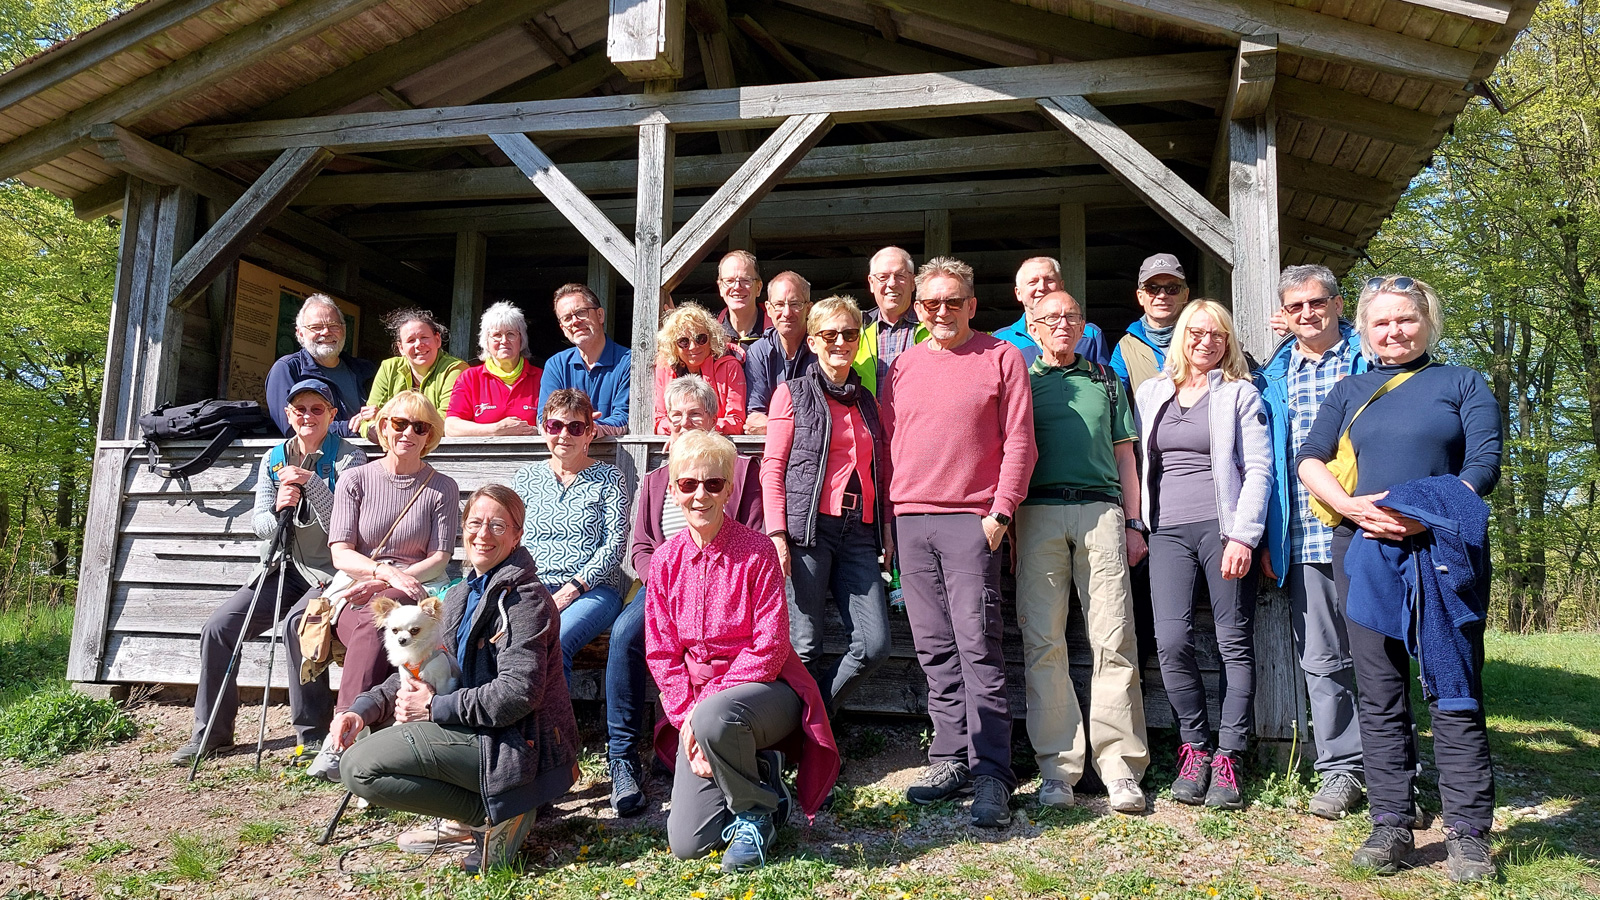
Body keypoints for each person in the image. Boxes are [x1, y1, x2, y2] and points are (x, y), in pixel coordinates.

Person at [1297, 275, 1502, 883]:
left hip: (1444, 550)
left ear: (1428, 322)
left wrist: (1419, 510)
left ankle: (1469, 831)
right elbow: (1308, 455)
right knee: (1379, 689)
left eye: (1405, 319)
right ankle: (1391, 820)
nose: (1394, 331)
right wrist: (1354, 507)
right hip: (1362, 549)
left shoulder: (1462, 383)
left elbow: (1483, 466)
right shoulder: (1350, 387)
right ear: (1363, 331)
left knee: (1454, 685)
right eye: (1381, 322)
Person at [330, 484, 580, 873]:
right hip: (478, 730)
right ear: (463, 528)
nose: (483, 534)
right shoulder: (462, 594)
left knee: (361, 767)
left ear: (517, 536)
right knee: (358, 759)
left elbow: (519, 694)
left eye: (498, 526)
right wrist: (361, 710)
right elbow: (422, 665)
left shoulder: (525, 600)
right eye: (476, 523)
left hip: (521, 746)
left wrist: (433, 707)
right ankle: (475, 815)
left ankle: (494, 813)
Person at [881, 256, 1037, 828]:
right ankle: (949, 758)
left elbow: (1020, 441)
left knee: (979, 646)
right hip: (912, 519)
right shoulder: (900, 366)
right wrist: (892, 522)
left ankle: (993, 770)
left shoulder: (1001, 357)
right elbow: (889, 447)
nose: (941, 312)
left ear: (973, 304)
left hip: (973, 520)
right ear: (917, 308)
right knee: (934, 648)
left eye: (952, 302)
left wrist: (1001, 512)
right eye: (930, 303)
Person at [645, 430, 839, 873]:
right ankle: (761, 777)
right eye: (689, 484)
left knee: (716, 717)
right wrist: (686, 717)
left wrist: (702, 713)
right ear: (673, 490)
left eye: (713, 484)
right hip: (700, 707)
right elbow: (661, 653)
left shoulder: (757, 552)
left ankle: (755, 810)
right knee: (689, 842)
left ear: (729, 490)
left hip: (766, 692)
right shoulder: (665, 561)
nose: (700, 495)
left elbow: (769, 648)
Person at [171, 380, 367, 765]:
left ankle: (311, 735)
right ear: (288, 415)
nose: (307, 416)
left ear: (331, 414)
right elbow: (259, 522)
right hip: (282, 566)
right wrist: (277, 508)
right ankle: (211, 732)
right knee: (219, 627)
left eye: (316, 409)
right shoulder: (273, 458)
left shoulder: (350, 459)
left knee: (300, 626)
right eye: (299, 410)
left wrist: (313, 487)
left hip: (329, 572)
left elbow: (347, 527)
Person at [1014, 290, 1149, 814]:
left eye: (1069, 316)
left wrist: (1135, 522)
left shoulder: (1105, 380)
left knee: (1113, 639)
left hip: (1102, 512)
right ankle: (1056, 769)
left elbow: (1125, 456)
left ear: (1083, 323)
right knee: (1042, 641)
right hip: (1038, 513)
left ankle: (1119, 769)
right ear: (1033, 326)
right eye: (1049, 319)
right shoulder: (1021, 381)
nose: (1060, 325)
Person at [1133, 299, 1270, 810]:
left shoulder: (1239, 394)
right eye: (1197, 333)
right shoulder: (1152, 393)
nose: (1206, 342)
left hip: (1222, 530)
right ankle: (1194, 747)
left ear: (1227, 341)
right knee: (1170, 640)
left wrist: (1244, 536)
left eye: (1217, 335)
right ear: (1181, 337)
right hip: (1166, 531)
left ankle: (1230, 755)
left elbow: (1258, 468)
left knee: (1235, 642)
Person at [607, 376, 764, 817]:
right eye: (676, 416)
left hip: (723, 582)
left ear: (713, 420)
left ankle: (706, 735)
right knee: (625, 634)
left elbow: (750, 531)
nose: (684, 423)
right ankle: (621, 754)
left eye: (694, 415)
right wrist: (662, 581)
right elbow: (639, 545)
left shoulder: (737, 470)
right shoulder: (657, 479)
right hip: (665, 584)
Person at [287, 391, 459, 781]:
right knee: (299, 621)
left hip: (417, 583)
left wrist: (399, 578)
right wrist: (382, 573)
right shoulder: (355, 479)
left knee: (370, 626)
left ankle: (345, 733)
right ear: (383, 427)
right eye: (399, 423)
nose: (408, 433)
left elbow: (439, 556)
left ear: (430, 435)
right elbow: (341, 552)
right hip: (359, 578)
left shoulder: (442, 486)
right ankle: (317, 730)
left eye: (420, 426)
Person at [1252, 264, 1369, 820]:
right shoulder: (1275, 377)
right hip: (1302, 535)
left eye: (1316, 303)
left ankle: (1398, 771)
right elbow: (1270, 463)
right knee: (1322, 659)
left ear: (1339, 304)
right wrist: (1271, 538)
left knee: (1381, 656)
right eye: (1294, 307)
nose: (1307, 314)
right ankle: (1342, 770)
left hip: (1370, 531)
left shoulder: (1367, 359)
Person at [761, 295, 890, 714]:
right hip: (808, 530)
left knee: (874, 646)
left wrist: (884, 532)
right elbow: (773, 467)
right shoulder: (792, 393)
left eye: (849, 334)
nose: (840, 342)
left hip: (859, 531)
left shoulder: (867, 399)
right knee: (804, 644)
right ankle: (803, 747)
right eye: (829, 334)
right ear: (813, 341)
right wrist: (778, 534)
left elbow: (880, 472)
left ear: (859, 340)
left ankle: (816, 725)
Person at [511, 389, 629, 686]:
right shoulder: (525, 479)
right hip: (532, 587)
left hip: (593, 591)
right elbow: (510, 538)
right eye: (555, 426)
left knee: (555, 641)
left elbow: (614, 546)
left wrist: (571, 590)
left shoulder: (610, 478)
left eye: (576, 427)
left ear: (589, 433)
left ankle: (554, 730)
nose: (565, 435)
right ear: (543, 429)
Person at [264, 294, 377, 437]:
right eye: (316, 327)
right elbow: (293, 429)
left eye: (334, 326)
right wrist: (357, 427)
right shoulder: (287, 369)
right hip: (319, 458)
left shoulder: (366, 370)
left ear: (344, 330)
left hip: (371, 456)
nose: (326, 332)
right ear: (300, 333)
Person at [355, 308, 467, 441]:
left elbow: (443, 423)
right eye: (411, 340)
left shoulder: (455, 369)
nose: (419, 344)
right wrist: (372, 427)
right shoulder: (389, 368)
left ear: (438, 340)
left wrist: (389, 422)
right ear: (401, 348)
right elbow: (366, 420)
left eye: (424, 337)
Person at [538, 283, 631, 435]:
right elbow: (544, 418)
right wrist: (582, 427)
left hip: (615, 456)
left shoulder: (629, 362)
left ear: (600, 315)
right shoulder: (556, 365)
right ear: (563, 328)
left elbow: (626, 419)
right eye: (567, 318)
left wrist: (591, 428)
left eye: (581, 312)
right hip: (565, 454)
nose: (575, 321)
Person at [991, 257, 1112, 367]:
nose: (1042, 287)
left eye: (1049, 280)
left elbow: (1105, 384)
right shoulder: (1000, 340)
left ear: (1062, 286)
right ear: (1018, 293)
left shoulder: (1090, 334)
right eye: (1033, 282)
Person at [445, 301, 543, 436]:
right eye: (497, 335)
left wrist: (538, 432)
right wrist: (495, 430)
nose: (504, 340)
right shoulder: (470, 378)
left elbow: (557, 423)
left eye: (511, 334)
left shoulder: (541, 378)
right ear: (486, 341)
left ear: (521, 339)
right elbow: (451, 428)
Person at [652, 303, 747, 435]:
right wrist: (678, 430)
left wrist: (696, 431)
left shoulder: (730, 367)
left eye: (700, 339)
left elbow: (736, 422)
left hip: (717, 444)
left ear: (711, 338)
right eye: (683, 341)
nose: (693, 347)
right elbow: (659, 420)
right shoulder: (664, 368)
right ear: (673, 345)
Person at [743, 271, 816, 434]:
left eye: (795, 304)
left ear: (809, 308)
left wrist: (775, 426)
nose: (787, 313)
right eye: (779, 304)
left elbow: (824, 417)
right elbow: (755, 417)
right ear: (768, 308)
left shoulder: (821, 348)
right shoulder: (758, 351)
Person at [1110, 253, 1190, 394]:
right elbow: (1113, 394)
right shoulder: (1126, 347)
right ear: (1140, 297)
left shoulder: (1204, 339)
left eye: (1172, 288)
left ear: (1185, 295)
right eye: (1152, 288)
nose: (1162, 295)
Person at [854, 246, 927, 394]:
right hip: (870, 417)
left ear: (913, 282)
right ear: (871, 283)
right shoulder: (855, 328)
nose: (892, 283)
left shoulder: (932, 325)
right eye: (883, 277)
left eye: (900, 275)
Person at [714, 250, 771, 348]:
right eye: (729, 281)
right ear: (720, 288)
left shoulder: (777, 330)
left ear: (758, 288)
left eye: (745, 280)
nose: (737, 287)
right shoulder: (709, 334)